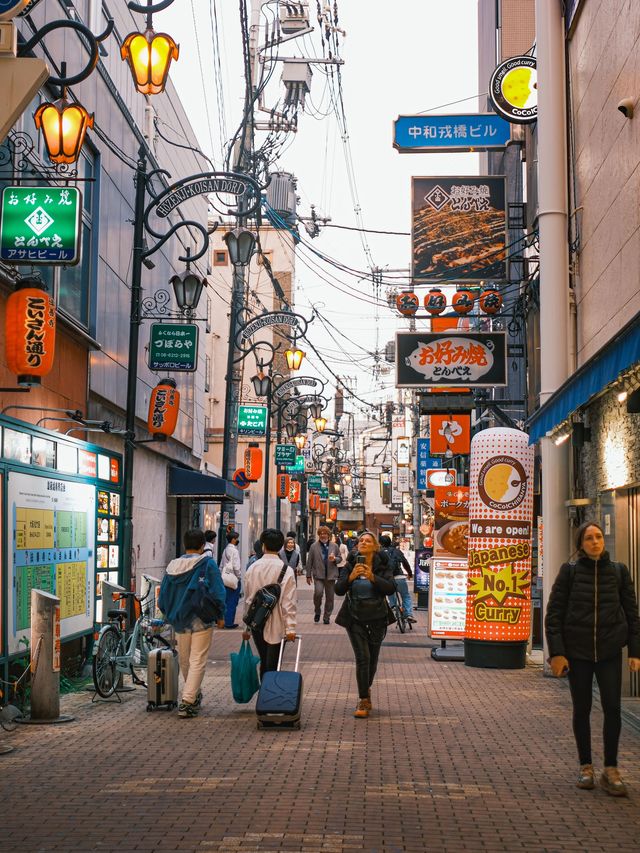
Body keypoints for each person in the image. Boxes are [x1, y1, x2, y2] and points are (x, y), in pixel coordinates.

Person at [545, 521, 640, 796]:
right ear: (581, 544)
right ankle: (585, 766)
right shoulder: (570, 572)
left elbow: (632, 614)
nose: (595, 542)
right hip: (579, 653)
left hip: (610, 651)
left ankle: (611, 769)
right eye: (589, 538)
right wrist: (557, 653)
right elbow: (554, 615)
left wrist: (635, 651)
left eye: (598, 537)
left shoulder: (619, 571)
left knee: (613, 709)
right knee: (582, 708)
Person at [158, 528, 226, 718]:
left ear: (184, 544)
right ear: (203, 545)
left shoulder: (173, 566)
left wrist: (169, 614)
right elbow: (218, 592)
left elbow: (163, 597)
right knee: (198, 660)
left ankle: (192, 694)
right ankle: (188, 700)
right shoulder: (207, 564)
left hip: (179, 619)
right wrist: (220, 615)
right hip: (201, 618)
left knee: (185, 659)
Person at [335, 531, 396, 718]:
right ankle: (363, 699)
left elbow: (390, 588)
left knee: (372, 660)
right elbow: (338, 589)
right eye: (361, 540)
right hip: (354, 617)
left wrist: (373, 577)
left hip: (377, 617)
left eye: (368, 541)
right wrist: (351, 577)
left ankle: (366, 688)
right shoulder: (351, 562)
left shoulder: (382, 563)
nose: (363, 542)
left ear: (375, 546)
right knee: (363, 658)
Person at [242, 528, 297, 679]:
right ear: (280, 546)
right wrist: (290, 627)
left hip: (256, 621)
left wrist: (246, 627)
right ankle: (269, 695)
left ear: (263, 545)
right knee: (273, 663)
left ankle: (264, 694)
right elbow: (289, 602)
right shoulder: (287, 570)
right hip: (278, 621)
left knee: (264, 659)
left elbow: (248, 599)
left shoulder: (253, 567)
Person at [306, 525, 340, 624]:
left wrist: (334, 559)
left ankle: (326, 616)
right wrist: (308, 575)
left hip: (331, 575)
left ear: (328, 535)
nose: (322, 535)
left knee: (330, 597)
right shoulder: (313, 546)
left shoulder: (334, 546)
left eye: (325, 533)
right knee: (318, 593)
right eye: (321, 533)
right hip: (318, 575)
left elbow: (340, 558)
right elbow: (309, 561)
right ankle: (317, 611)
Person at [379, 534, 416, 623]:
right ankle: (409, 615)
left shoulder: (379, 552)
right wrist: (410, 573)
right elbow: (405, 563)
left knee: (390, 592)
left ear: (380, 543)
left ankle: (394, 607)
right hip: (399, 577)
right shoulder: (397, 551)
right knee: (405, 596)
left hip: (388, 579)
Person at [220, 530, 242, 629]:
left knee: (226, 601)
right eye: (237, 538)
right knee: (232, 601)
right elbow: (236, 567)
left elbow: (221, 565)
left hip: (225, 578)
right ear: (233, 539)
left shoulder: (225, 550)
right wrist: (239, 577)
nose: (237, 540)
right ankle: (229, 622)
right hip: (233, 579)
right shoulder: (234, 551)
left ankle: (224, 621)